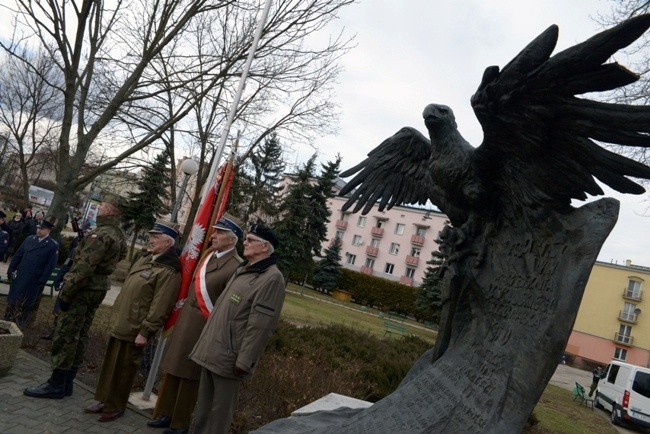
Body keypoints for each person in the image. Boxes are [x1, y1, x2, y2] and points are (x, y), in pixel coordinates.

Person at [23, 193, 127, 400]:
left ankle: (56, 383)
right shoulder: (118, 234)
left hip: (83, 289)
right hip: (97, 288)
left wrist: (67, 293)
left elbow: (83, 268)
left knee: (66, 332)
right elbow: (121, 256)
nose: (99, 209)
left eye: (102, 206)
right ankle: (67, 382)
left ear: (109, 210)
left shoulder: (101, 234)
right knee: (81, 333)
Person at [148, 216, 244, 434]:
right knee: (174, 368)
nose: (214, 235)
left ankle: (180, 422)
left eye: (219, 233)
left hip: (202, 325)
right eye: (215, 231)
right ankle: (166, 413)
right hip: (186, 322)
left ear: (232, 240)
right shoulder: (209, 255)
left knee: (190, 375)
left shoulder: (235, 266)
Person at [189, 224, 285, 434]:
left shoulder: (272, 278)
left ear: (265, 246)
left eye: (251, 240)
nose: (245, 242)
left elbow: (261, 326)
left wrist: (244, 361)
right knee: (203, 412)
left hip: (230, 359)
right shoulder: (244, 268)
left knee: (218, 417)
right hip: (213, 350)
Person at [83, 220, 182, 422]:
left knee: (124, 368)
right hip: (123, 320)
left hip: (136, 327)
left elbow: (160, 306)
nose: (151, 240)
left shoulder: (168, 270)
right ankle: (104, 399)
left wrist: (146, 331)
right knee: (112, 364)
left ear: (168, 243)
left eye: (156, 237)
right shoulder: (147, 258)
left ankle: (115, 406)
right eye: (151, 236)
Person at [3, 217, 59, 329]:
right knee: (12, 300)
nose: (38, 230)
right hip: (20, 275)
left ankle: (18, 327)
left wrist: (42, 280)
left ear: (48, 230)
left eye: (42, 229)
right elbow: (18, 256)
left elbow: (50, 265)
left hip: (33, 279)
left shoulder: (52, 245)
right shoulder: (29, 239)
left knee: (25, 304)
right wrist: (11, 270)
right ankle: (6, 322)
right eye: (38, 228)